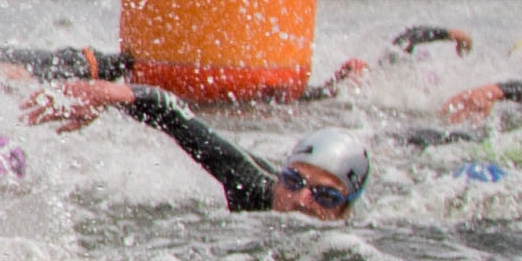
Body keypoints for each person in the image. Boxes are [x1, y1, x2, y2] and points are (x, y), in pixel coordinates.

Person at [32, 80, 369, 217]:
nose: (299, 200)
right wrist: (108, 95)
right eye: (294, 181)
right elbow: (176, 116)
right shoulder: (252, 186)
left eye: (324, 196)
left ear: (345, 211)